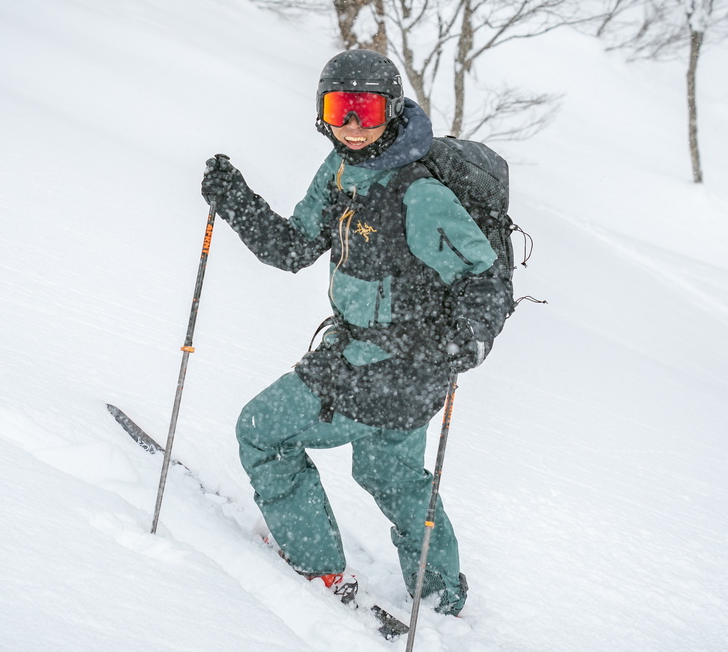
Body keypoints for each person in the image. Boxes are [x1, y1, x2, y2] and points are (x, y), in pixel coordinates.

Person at [200, 49, 511, 616]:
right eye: (340, 109)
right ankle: (441, 594)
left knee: (261, 432)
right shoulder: (340, 169)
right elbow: (294, 246)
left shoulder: (419, 193)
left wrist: (468, 340)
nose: (352, 125)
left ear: (391, 111)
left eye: (366, 111)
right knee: (389, 473)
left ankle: (319, 570)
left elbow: (483, 273)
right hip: (401, 373)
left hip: (386, 366)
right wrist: (236, 201)